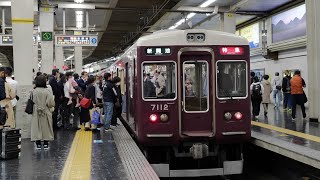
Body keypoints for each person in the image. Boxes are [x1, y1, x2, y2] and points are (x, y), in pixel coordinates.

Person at [30, 75, 55, 150]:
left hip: (36, 111)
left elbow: (31, 101)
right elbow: (51, 103)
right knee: (46, 127)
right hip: (45, 111)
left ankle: (37, 144)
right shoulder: (47, 91)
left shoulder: (33, 91)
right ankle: (45, 143)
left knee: (36, 127)